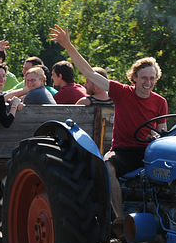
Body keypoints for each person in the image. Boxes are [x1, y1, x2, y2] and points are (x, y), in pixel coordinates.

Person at [49, 25, 167, 227]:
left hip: (148, 152)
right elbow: (88, 71)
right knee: (108, 165)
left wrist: (157, 138)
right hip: (124, 152)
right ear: (134, 78)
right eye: (144, 77)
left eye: (152, 78)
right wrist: (68, 45)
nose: (148, 82)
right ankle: (120, 219)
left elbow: (163, 133)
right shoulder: (121, 92)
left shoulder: (160, 102)